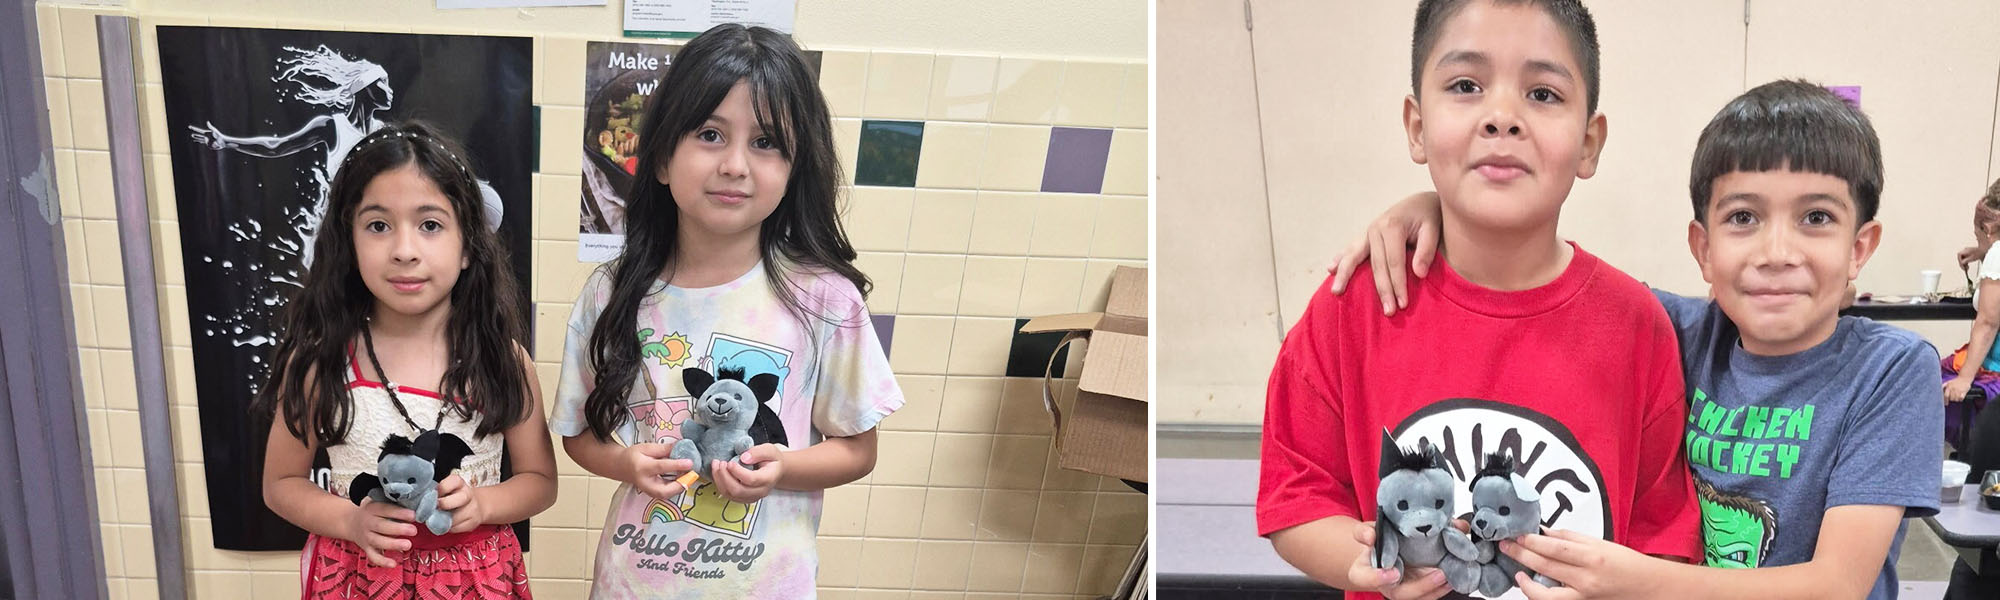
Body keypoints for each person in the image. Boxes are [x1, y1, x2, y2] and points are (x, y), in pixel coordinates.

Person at [1330, 80, 1943, 599]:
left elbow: (1835, 584)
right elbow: (1554, 277)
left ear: (1859, 246)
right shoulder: (1676, 330)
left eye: (1816, 218)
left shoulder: (1891, 371)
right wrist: (1439, 209)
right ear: (1702, 249)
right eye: (1743, 218)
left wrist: (1639, 581)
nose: (1776, 253)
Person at [1256, 2, 1702, 599]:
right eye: (1466, 86)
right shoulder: (1353, 304)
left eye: (1543, 94)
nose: (1502, 117)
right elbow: (1295, 497)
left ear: (1589, 143)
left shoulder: (1636, 324)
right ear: (1416, 126)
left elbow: (1664, 537)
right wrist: (1370, 565)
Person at [550, 24, 903, 598]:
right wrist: (627, 464)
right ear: (661, 159)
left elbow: (859, 449)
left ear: (794, 170)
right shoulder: (611, 293)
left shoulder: (824, 298)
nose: (736, 164)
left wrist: (783, 468)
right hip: (633, 584)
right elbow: (577, 435)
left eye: (766, 143)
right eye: (710, 134)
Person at [255, 121, 556, 599]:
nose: (404, 251)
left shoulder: (502, 359)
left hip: (475, 580)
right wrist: (351, 520)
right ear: (349, 243)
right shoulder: (320, 360)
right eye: (378, 225)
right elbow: (282, 483)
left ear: (467, 247)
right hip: (356, 579)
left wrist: (483, 502)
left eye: (430, 225)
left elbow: (540, 482)